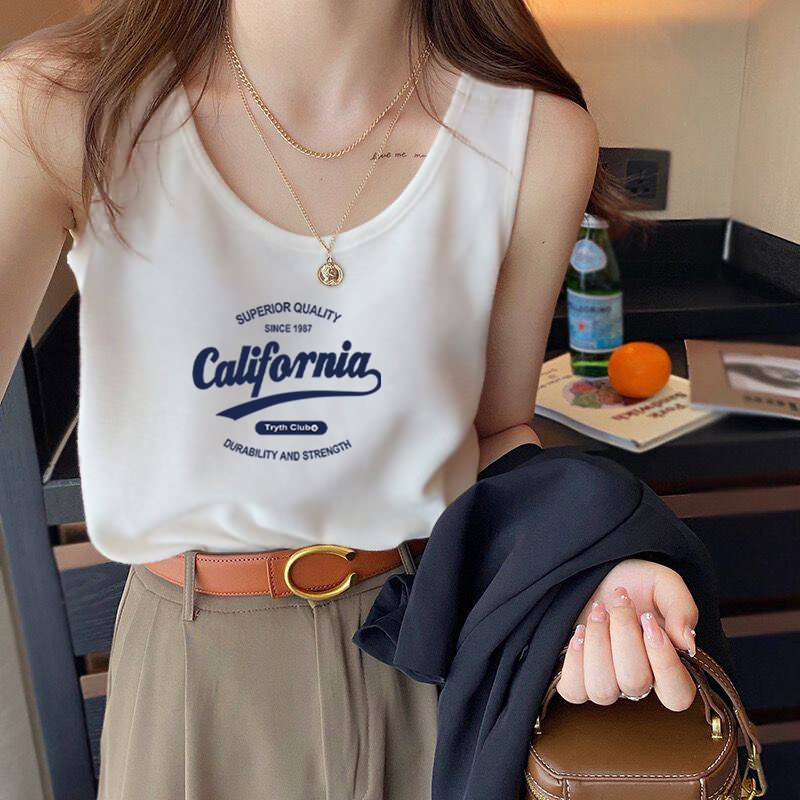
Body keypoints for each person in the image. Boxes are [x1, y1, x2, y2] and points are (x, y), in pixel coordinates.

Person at [0, 2, 702, 798]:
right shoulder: (60, 106)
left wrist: (579, 571)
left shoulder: (535, 135)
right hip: (191, 676)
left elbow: (497, 433)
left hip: (422, 642)